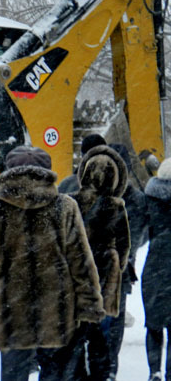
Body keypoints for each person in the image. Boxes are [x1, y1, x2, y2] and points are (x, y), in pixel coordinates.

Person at [0, 145, 105, 381]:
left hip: (12, 309)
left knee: (13, 373)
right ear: (46, 172)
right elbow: (80, 260)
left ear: (9, 171)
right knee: (54, 371)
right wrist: (88, 303)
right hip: (55, 308)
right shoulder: (65, 207)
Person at [70, 144, 130, 380]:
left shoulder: (71, 202)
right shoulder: (116, 207)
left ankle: (77, 373)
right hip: (105, 276)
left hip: (77, 273)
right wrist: (116, 265)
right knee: (101, 332)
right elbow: (124, 246)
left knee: (76, 330)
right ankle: (100, 374)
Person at [106, 143, 149, 380]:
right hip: (119, 269)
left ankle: (103, 366)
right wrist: (127, 255)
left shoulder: (91, 194)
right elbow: (140, 233)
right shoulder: (136, 199)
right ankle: (110, 367)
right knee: (114, 320)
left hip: (95, 268)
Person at [141, 157, 171, 381]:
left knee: (153, 324)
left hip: (155, 265)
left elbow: (140, 232)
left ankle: (154, 371)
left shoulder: (149, 199)